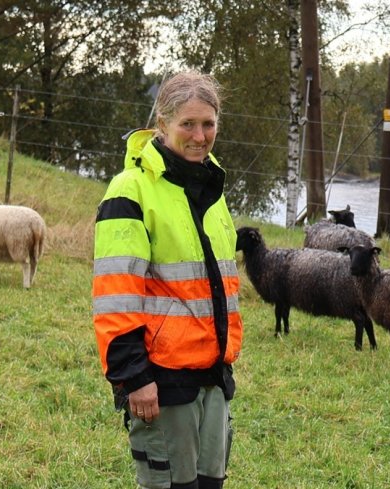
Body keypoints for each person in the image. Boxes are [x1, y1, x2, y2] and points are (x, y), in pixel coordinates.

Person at [93, 70, 242, 489]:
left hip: (212, 377)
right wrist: (134, 378)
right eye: (187, 124)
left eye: (208, 124)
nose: (199, 135)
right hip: (160, 380)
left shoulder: (212, 188)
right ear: (162, 124)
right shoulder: (130, 190)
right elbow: (115, 296)